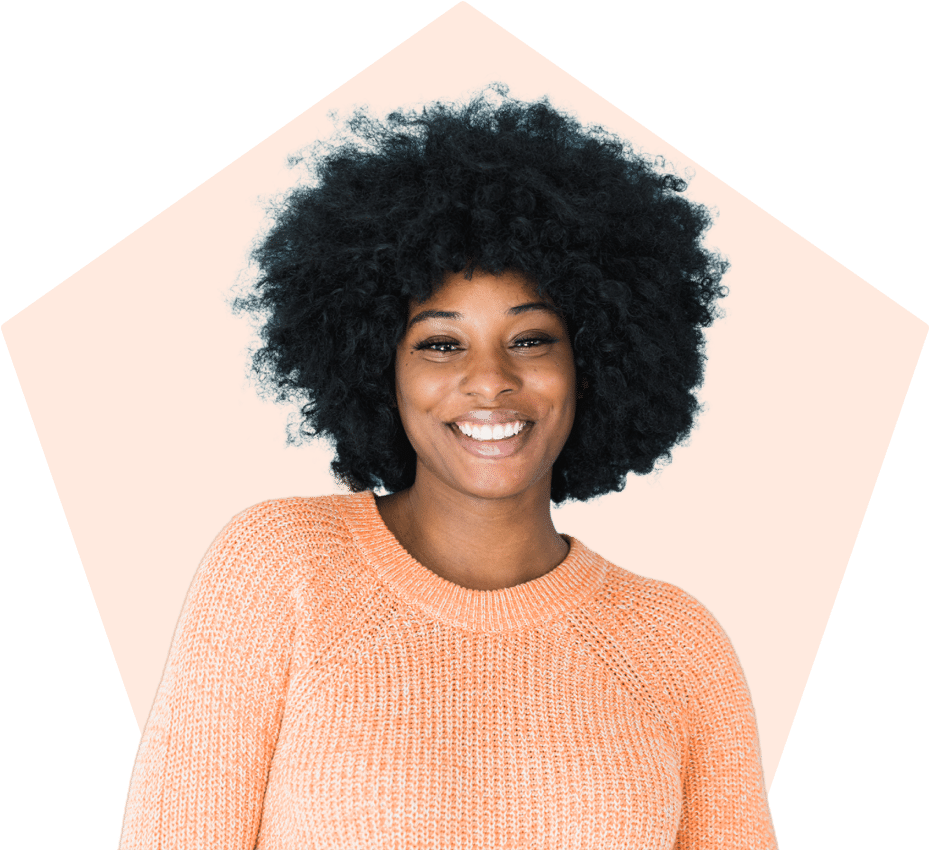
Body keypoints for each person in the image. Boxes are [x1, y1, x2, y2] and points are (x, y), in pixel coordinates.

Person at [118, 83, 779, 849]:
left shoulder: (677, 646)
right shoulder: (280, 572)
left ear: (595, 361)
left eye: (531, 339)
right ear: (377, 367)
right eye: (440, 343)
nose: (490, 380)